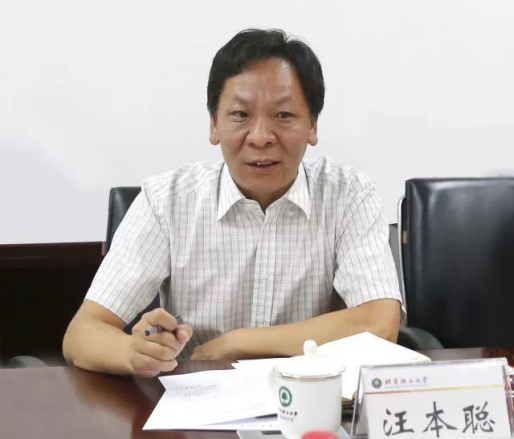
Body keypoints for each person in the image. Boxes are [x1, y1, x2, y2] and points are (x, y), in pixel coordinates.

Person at [63, 29, 402, 377]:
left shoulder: (349, 195)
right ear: (214, 125)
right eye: (240, 115)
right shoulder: (167, 201)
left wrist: (239, 343)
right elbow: (82, 334)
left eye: (283, 115)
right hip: (198, 401)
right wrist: (135, 352)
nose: (261, 137)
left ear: (313, 125)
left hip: (310, 397)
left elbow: (380, 323)